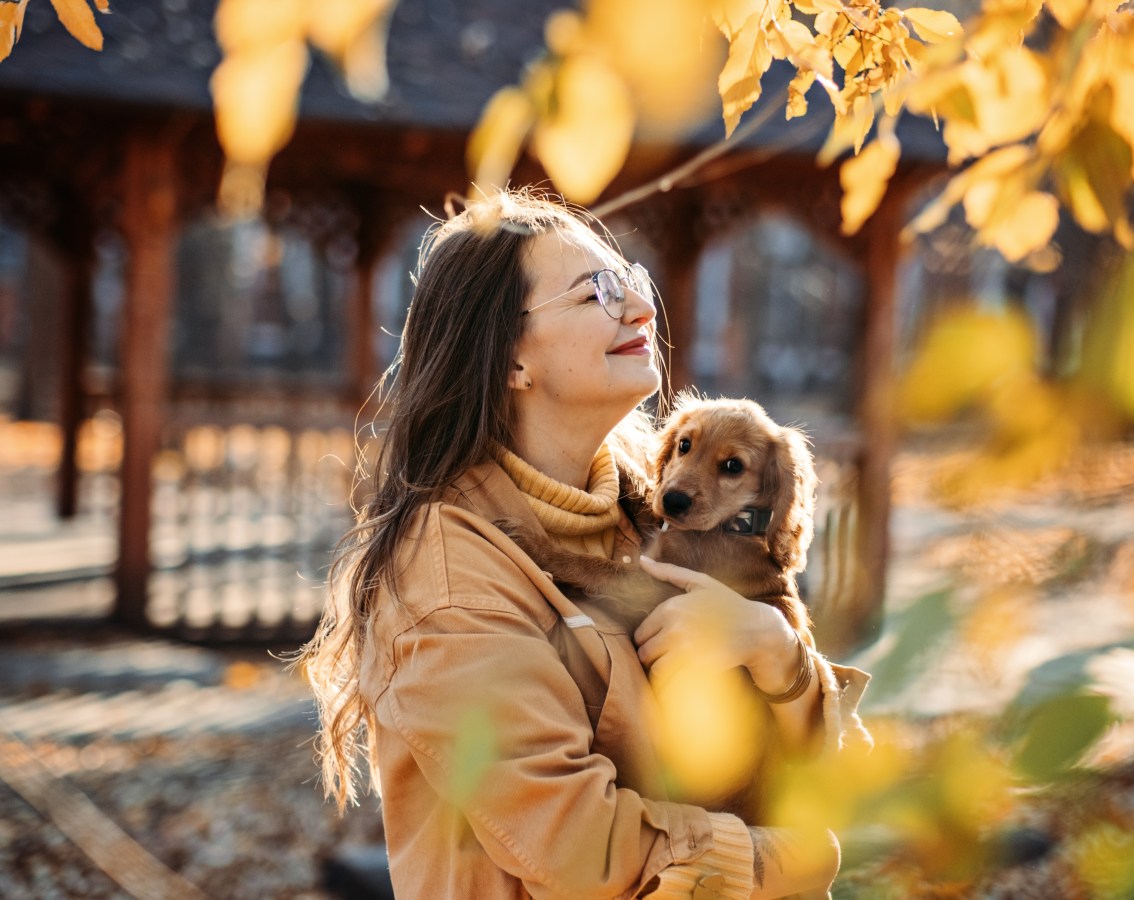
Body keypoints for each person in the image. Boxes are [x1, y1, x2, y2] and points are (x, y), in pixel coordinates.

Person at [297, 188, 871, 899]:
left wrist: (776, 651)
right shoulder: (449, 579)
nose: (639, 307)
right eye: (596, 292)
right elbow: (578, 848)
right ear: (510, 360)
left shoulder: (651, 511)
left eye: (632, 280)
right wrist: (791, 861)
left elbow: (832, 775)